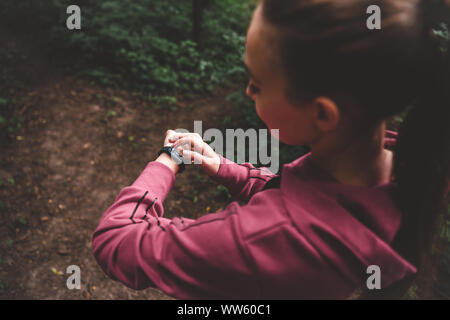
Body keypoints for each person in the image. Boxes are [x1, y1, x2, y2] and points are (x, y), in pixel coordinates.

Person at [92, 0, 450, 299]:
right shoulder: (404, 160)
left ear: (323, 113)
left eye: (257, 83)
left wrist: (166, 159)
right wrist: (225, 168)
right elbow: (311, 199)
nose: (248, 92)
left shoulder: (265, 238)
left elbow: (117, 240)